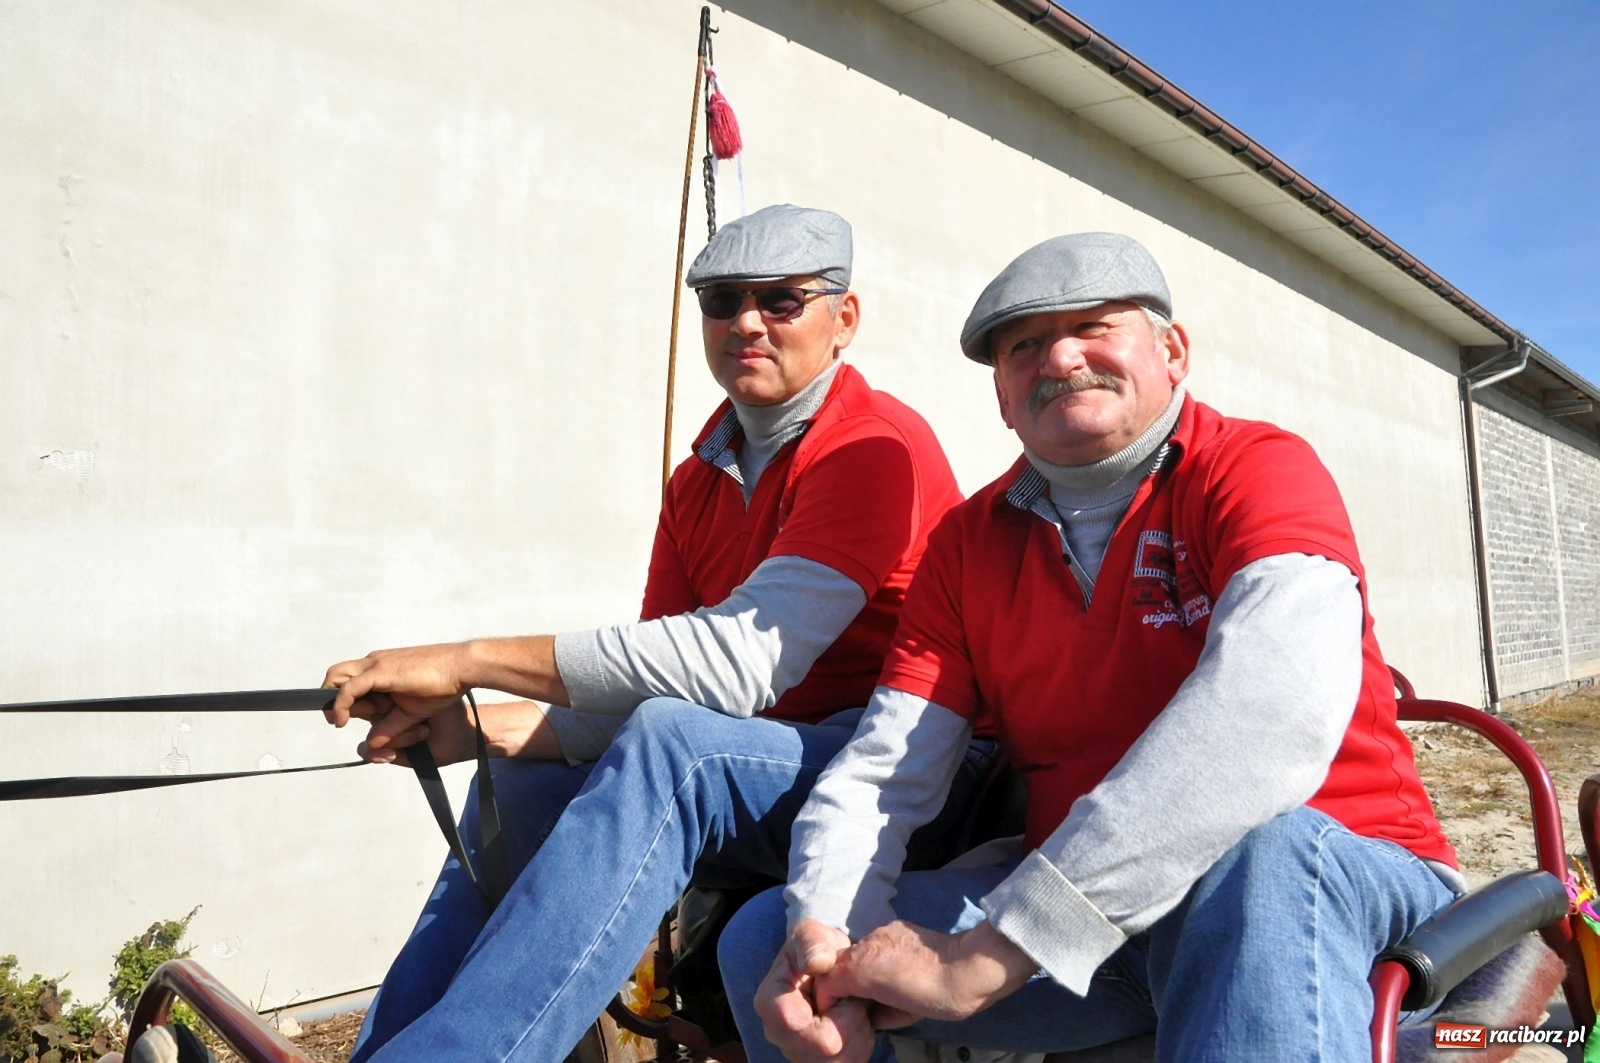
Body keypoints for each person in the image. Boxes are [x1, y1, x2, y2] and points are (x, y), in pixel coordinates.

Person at [720, 232, 1462, 1063]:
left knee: (1261, 856)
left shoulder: (1258, 469)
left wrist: (990, 954)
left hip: (1340, 881)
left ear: (1173, 350)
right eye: (1024, 345)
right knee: (765, 941)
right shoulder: (966, 544)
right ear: (1002, 395)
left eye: (1096, 327)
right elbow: (887, 767)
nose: (1061, 358)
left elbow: (1267, 722)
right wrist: (826, 934)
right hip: (1089, 931)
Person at [321, 204, 982, 1061]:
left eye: (782, 299)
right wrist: (479, 725)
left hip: (911, 773)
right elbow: (653, 688)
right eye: (721, 298)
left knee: (682, 746)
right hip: (776, 762)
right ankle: (391, 1048)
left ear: (843, 318)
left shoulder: (873, 448)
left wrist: (463, 661)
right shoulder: (697, 478)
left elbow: (737, 666)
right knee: (517, 785)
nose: (746, 319)